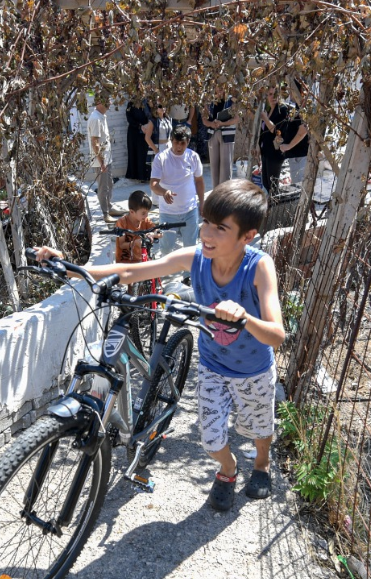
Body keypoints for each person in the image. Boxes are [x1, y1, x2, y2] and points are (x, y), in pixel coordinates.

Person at [32, 180, 285, 511]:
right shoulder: (195, 258)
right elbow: (129, 271)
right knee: (211, 440)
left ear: (247, 236)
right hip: (213, 367)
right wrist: (73, 268)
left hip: (253, 369)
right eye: (206, 222)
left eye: (220, 228)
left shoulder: (259, 266)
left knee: (259, 428)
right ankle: (228, 468)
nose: (206, 233)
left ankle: (262, 463)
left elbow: (277, 335)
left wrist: (243, 318)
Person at [149, 124, 204, 256]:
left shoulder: (194, 157)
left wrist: (202, 203)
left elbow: (199, 181)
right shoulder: (161, 158)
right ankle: (164, 274)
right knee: (166, 249)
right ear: (171, 140)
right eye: (176, 142)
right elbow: (153, 184)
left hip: (190, 211)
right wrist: (164, 192)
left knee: (190, 249)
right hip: (168, 214)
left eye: (182, 143)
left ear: (188, 142)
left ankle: (188, 276)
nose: (179, 146)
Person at [88, 98, 127, 223]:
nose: (109, 104)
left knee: (109, 184)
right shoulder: (95, 118)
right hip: (101, 160)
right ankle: (105, 214)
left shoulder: (101, 116)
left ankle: (109, 208)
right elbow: (95, 142)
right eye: (106, 101)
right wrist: (102, 162)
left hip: (106, 158)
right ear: (98, 102)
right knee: (103, 187)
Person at [203, 92, 239, 189]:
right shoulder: (208, 100)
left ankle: (225, 194)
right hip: (212, 133)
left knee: (225, 167)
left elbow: (236, 119)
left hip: (227, 135)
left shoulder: (231, 101)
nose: (219, 89)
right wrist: (211, 124)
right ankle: (216, 193)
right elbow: (204, 119)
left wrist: (222, 123)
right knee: (214, 167)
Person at [114, 190, 160, 265]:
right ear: (132, 212)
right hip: (125, 262)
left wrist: (152, 234)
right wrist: (134, 243)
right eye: (143, 213)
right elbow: (121, 245)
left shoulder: (145, 220)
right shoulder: (122, 223)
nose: (146, 215)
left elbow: (159, 233)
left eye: (148, 212)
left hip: (142, 260)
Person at [258, 87, 291, 193]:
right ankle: (269, 207)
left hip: (275, 152)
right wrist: (258, 146)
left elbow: (276, 130)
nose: (273, 97)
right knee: (266, 183)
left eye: (275, 94)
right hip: (266, 151)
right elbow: (263, 131)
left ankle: (275, 208)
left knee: (273, 185)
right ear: (267, 96)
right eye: (270, 94)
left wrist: (265, 118)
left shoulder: (282, 110)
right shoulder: (268, 110)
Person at [278, 101, 311, 185]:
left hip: (300, 157)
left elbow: (304, 129)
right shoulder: (295, 106)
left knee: (300, 188)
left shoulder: (301, 107)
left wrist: (289, 146)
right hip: (296, 156)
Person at [142, 103, 172, 177]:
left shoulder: (167, 119)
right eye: (160, 107)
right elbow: (147, 138)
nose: (162, 108)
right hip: (159, 147)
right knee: (160, 173)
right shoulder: (153, 121)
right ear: (156, 109)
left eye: (164, 106)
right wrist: (156, 150)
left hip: (169, 147)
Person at [125, 99, 151, 183]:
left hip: (146, 130)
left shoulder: (147, 103)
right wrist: (139, 126)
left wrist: (147, 126)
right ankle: (135, 175)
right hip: (134, 131)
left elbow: (150, 115)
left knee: (144, 154)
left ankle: (145, 176)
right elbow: (129, 118)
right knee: (134, 153)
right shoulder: (131, 103)